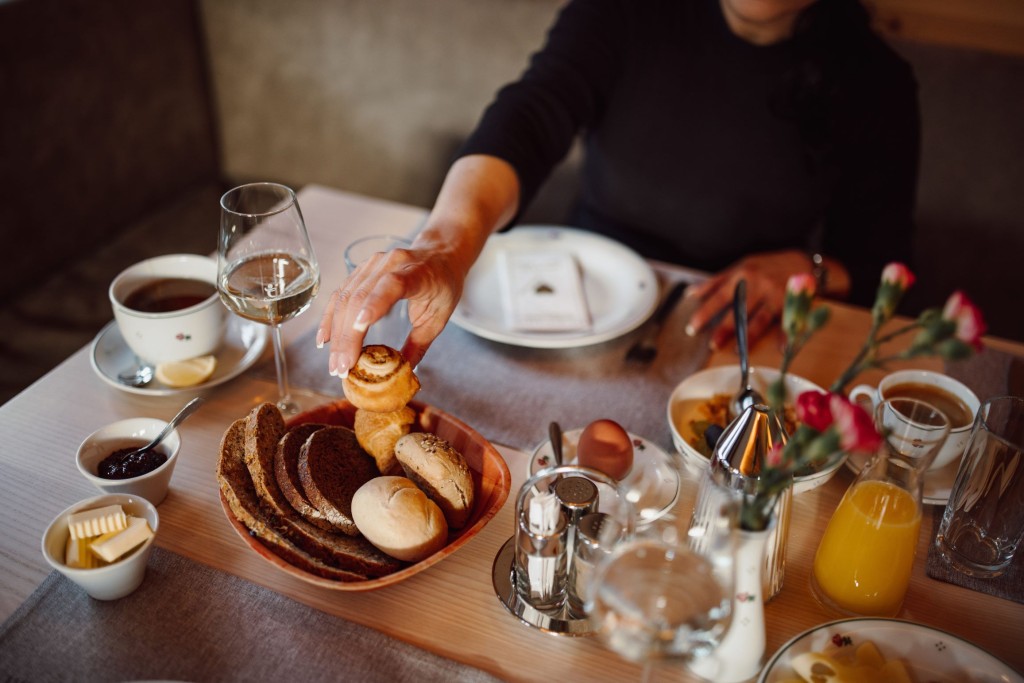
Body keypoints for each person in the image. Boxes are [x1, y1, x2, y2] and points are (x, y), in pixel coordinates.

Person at [318, 0, 920, 379]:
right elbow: (532, 116)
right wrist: (447, 244)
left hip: (735, 335)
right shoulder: (622, 11)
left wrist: (809, 268)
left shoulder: (880, 84)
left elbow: (880, 265)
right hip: (574, 310)